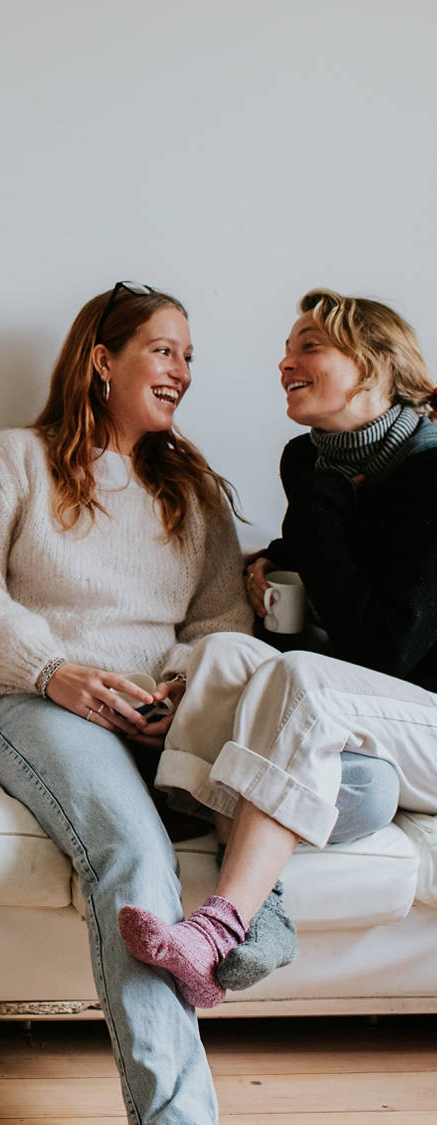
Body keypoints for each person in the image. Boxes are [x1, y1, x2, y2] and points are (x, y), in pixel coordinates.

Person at [0, 282, 387, 1124]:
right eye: (165, 350)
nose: (182, 371)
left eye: (190, 357)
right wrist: (54, 669)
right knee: (136, 855)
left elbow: (219, 621)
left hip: (166, 716)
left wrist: (177, 690)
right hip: (46, 707)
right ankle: (176, 1115)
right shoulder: (17, 460)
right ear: (103, 360)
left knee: (356, 786)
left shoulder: (193, 488)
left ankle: (256, 911)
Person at [121, 289, 437, 1010]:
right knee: (225, 655)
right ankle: (265, 917)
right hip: (377, 714)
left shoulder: (425, 473)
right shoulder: (312, 460)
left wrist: (317, 508)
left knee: (301, 678)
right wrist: (275, 559)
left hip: (426, 716)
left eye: (309, 346)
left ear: (376, 366)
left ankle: (218, 921)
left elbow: (386, 645)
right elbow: (343, 547)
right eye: (289, 347)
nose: (284, 362)